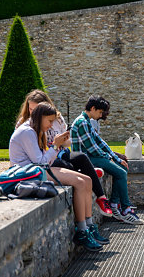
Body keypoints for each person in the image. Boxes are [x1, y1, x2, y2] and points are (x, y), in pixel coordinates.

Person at [10, 101, 108, 252]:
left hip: (38, 169)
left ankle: (88, 227)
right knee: (81, 183)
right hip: (29, 173)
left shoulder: (35, 129)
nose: (51, 126)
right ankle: (82, 231)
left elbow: (45, 160)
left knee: (87, 180)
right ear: (40, 117)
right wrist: (55, 145)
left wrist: (57, 145)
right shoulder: (27, 132)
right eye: (49, 121)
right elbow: (40, 162)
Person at [16, 89, 113, 217]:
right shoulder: (26, 125)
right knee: (66, 166)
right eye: (31, 109)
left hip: (59, 153)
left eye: (36, 109)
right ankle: (86, 173)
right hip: (46, 158)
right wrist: (54, 145)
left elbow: (68, 143)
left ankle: (101, 198)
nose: (33, 112)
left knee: (81, 158)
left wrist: (62, 141)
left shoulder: (57, 118)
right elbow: (38, 159)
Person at [70, 95, 144, 225]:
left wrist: (115, 158)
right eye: (99, 112)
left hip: (91, 158)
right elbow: (93, 149)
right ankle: (125, 208)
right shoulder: (82, 122)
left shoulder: (86, 121)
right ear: (92, 108)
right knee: (121, 172)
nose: (100, 115)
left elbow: (100, 142)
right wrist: (111, 157)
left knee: (122, 168)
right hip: (86, 160)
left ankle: (115, 204)